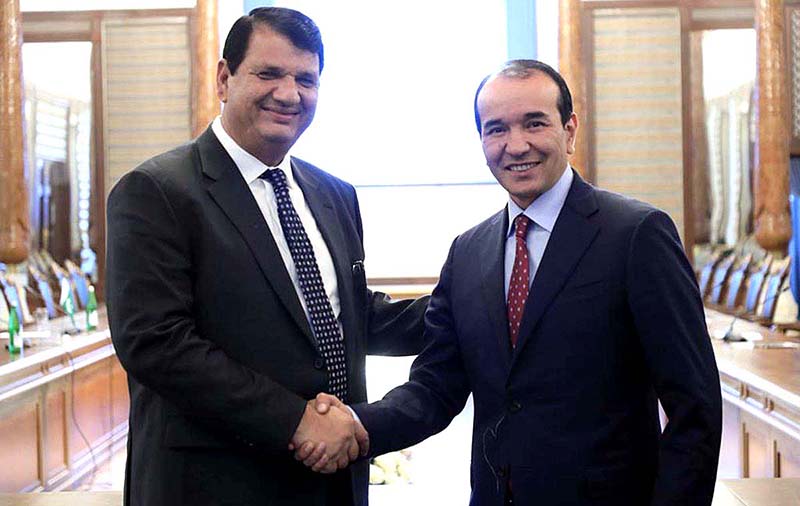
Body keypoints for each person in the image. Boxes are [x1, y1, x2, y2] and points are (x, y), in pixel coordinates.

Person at [302, 60, 722, 505]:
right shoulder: (468, 251)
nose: (515, 145)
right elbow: (434, 388)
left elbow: (694, 408)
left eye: (534, 123)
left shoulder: (637, 234)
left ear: (570, 130)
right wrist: (357, 425)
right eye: (496, 129)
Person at [106, 7, 427, 506]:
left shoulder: (333, 194)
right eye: (268, 73)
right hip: (215, 484)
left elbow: (349, 316)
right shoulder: (156, 191)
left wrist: (473, 300)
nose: (289, 93)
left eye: (306, 79)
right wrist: (293, 420)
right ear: (224, 78)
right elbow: (156, 342)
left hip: (331, 482)